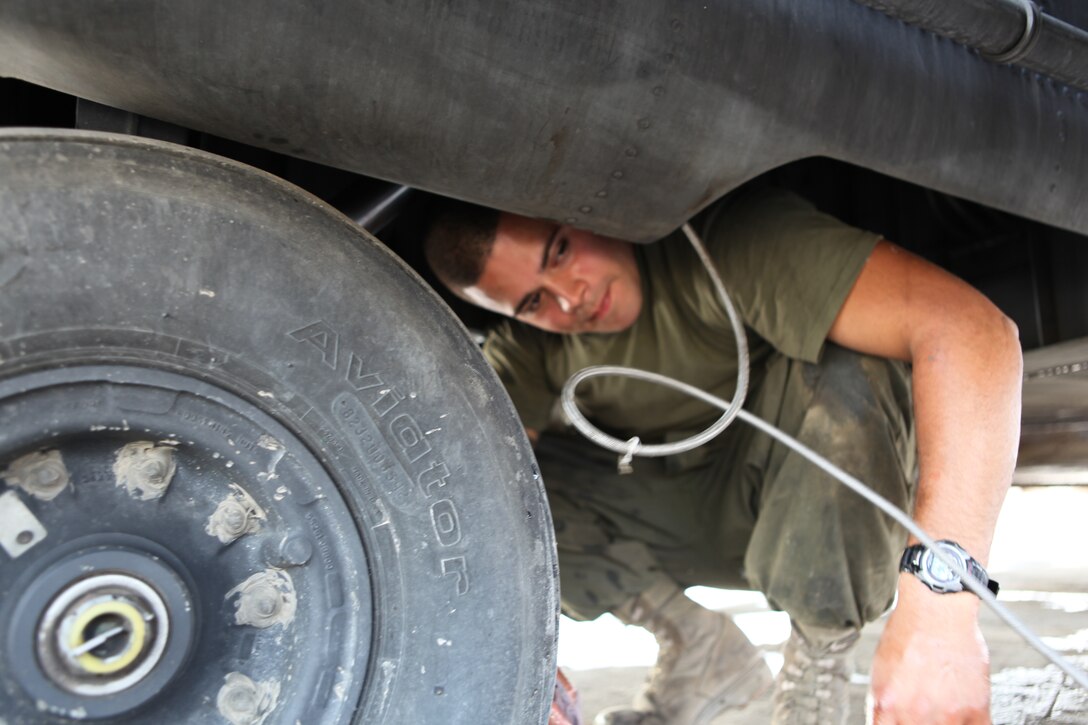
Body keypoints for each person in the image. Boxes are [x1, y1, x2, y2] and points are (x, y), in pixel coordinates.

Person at [424, 184, 1022, 725]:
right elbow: (455, 489)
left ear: (593, 206)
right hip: (691, 519)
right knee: (507, 483)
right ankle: (699, 651)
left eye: (558, 251)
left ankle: (817, 668)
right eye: (532, 302)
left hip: (816, 506)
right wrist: (511, 635)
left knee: (854, 370)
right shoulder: (530, 351)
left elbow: (973, 332)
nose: (569, 298)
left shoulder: (728, 243)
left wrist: (941, 618)